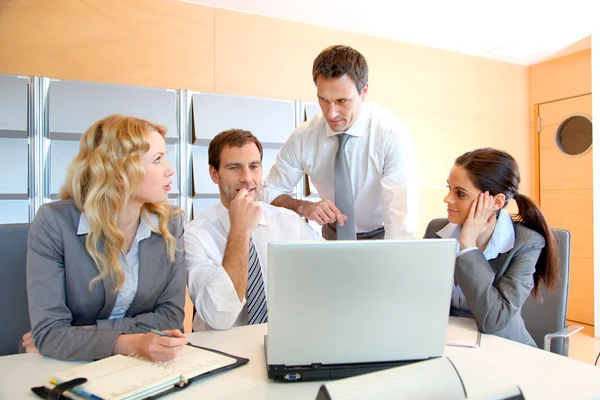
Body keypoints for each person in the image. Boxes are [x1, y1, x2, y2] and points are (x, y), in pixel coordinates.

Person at [24, 114, 188, 361]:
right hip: (63, 366)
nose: (170, 169)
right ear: (120, 173)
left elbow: (171, 317)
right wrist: (128, 343)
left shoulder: (171, 223)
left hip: (140, 363)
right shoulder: (53, 223)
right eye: (158, 160)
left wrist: (81, 333)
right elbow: (50, 334)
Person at [260, 44, 417, 241]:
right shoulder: (303, 137)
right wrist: (303, 207)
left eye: (342, 101)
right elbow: (269, 192)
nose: (331, 113)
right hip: (332, 233)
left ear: (364, 92)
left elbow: (400, 218)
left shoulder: (391, 134)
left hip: (382, 234)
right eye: (323, 100)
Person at [185, 129, 323, 331]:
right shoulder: (195, 235)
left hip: (286, 341)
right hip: (222, 349)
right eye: (234, 168)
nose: (247, 178)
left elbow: (332, 277)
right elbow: (218, 317)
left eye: (254, 167)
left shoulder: (289, 222)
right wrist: (240, 230)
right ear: (215, 174)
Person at [424, 148, 559, 346]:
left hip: (503, 347)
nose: (447, 199)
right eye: (449, 188)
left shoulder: (526, 243)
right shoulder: (436, 229)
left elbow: (493, 319)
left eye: (460, 193)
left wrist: (468, 246)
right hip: (446, 343)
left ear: (496, 202)